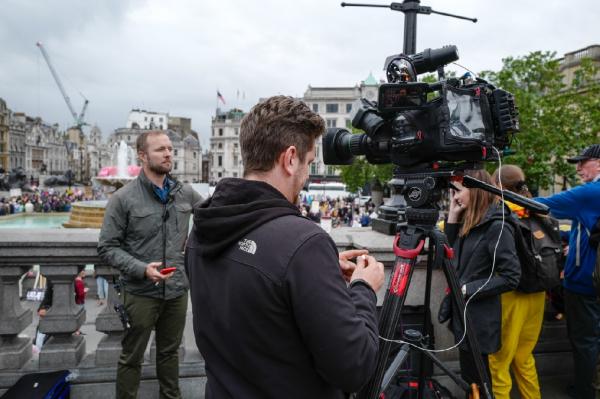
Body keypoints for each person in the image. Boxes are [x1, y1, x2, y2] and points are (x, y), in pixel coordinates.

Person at [185, 96, 385, 398]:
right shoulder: (303, 244)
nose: (306, 174)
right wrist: (363, 289)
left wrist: (318, 273)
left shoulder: (202, 228)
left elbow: (259, 288)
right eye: (308, 162)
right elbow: (354, 367)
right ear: (290, 159)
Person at [98, 130, 202, 399]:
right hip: (140, 291)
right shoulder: (123, 198)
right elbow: (107, 247)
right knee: (131, 357)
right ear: (142, 156)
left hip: (177, 289)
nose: (168, 153)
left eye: (170, 148)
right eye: (160, 149)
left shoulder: (186, 193)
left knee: (170, 353)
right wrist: (141, 269)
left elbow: (214, 219)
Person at [534, 144, 600, 399]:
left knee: (584, 341)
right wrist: (564, 237)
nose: (578, 168)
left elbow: (538, 205)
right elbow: (587, 230)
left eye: (584, 162)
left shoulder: (591, 192)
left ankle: (585, 391)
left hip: (585, 284)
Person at [445, 169, 521, 390]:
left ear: (475, 190)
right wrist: (452, 216)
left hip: (479, 320)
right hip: (464, 316)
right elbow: (449, 258)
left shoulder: (497, 225)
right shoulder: (469, 220)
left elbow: (511, 276)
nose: (456, 198)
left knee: (480, 383)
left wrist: (468, 289)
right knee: (472, 383)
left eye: (458, 192)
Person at [488, 165, 548, 399]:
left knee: (499, 362)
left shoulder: (500, 211)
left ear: (498, 186)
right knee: (524, 357)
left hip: (510, 295)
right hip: (538, 292)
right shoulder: (537, 210)